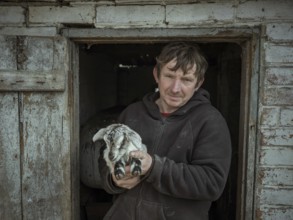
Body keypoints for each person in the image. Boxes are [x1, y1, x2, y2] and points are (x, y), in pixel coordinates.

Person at [99, 42, 232, 220]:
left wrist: (154, 167)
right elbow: (105, 158)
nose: (175, 88)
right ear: (156, 74)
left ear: (199, 82)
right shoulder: (132, 113)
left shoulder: (210, 121)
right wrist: (113, 179)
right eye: (169, 76)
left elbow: (212, 183)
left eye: (186, 79)